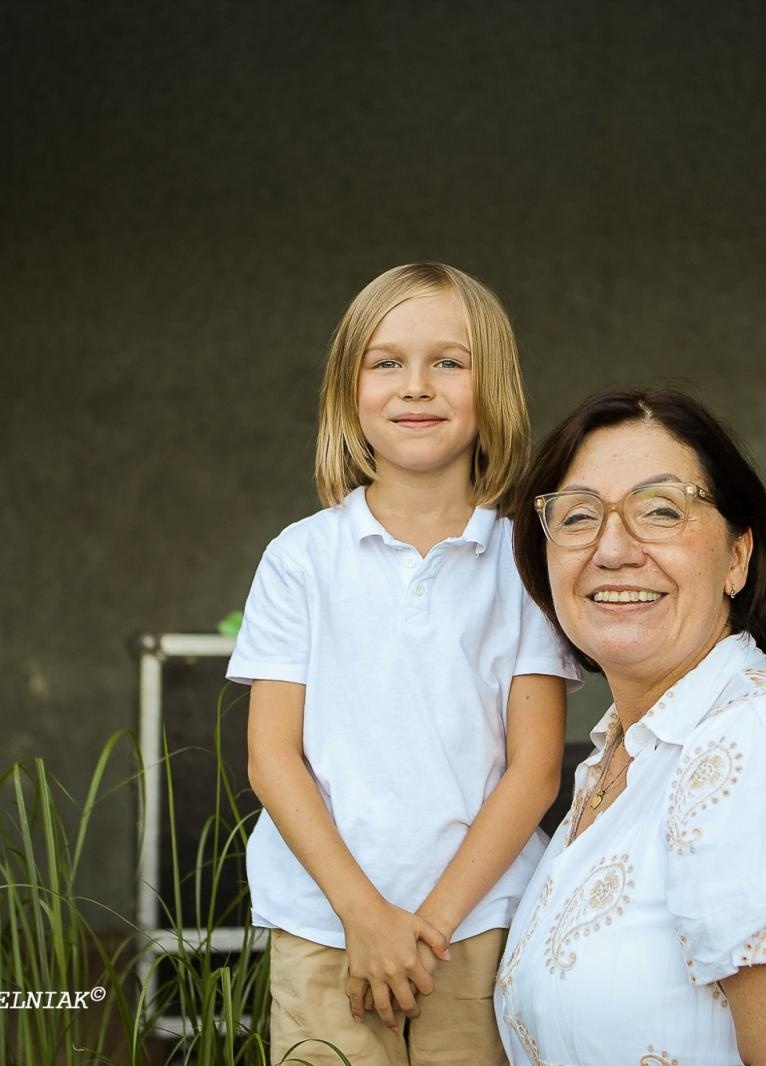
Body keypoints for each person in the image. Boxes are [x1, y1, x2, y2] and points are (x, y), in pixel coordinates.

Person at [497, 387, 766, 1066]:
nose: (612, 549)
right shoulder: (621, 760)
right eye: (577, 517)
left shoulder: (753, 743)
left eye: (661, 511)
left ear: (737, 557)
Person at [228, 263, 579, 1066]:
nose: (415, 386)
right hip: (325, 925)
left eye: (448, 362)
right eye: (387, 362)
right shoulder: (300, 559)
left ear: (492, 389)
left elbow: (534, 771)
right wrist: (367, 918)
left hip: (479, 926)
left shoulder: (526, 562)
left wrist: (430, 925)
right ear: (349, 391)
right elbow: (271, 757)